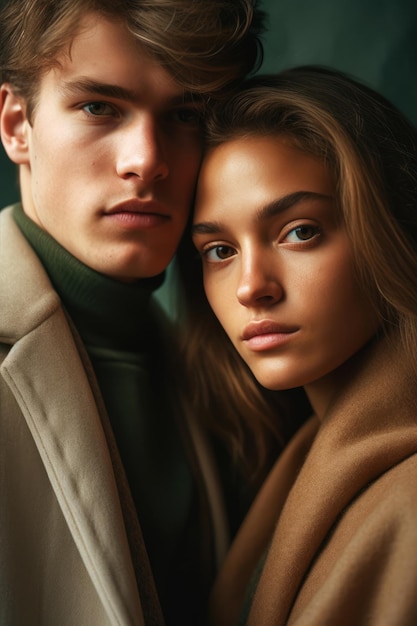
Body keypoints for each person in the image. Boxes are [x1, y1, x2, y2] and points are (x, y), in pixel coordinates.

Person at [0, 1, 267, 624]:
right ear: (16, 124)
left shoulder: (213, 357)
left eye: (184, 114)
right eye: (99, 107)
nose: (145, 160)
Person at [185, 65, 417, 625]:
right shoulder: (296, 462)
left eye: (299, 232)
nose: (250, 287)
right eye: (219, 250)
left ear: (387, 227)